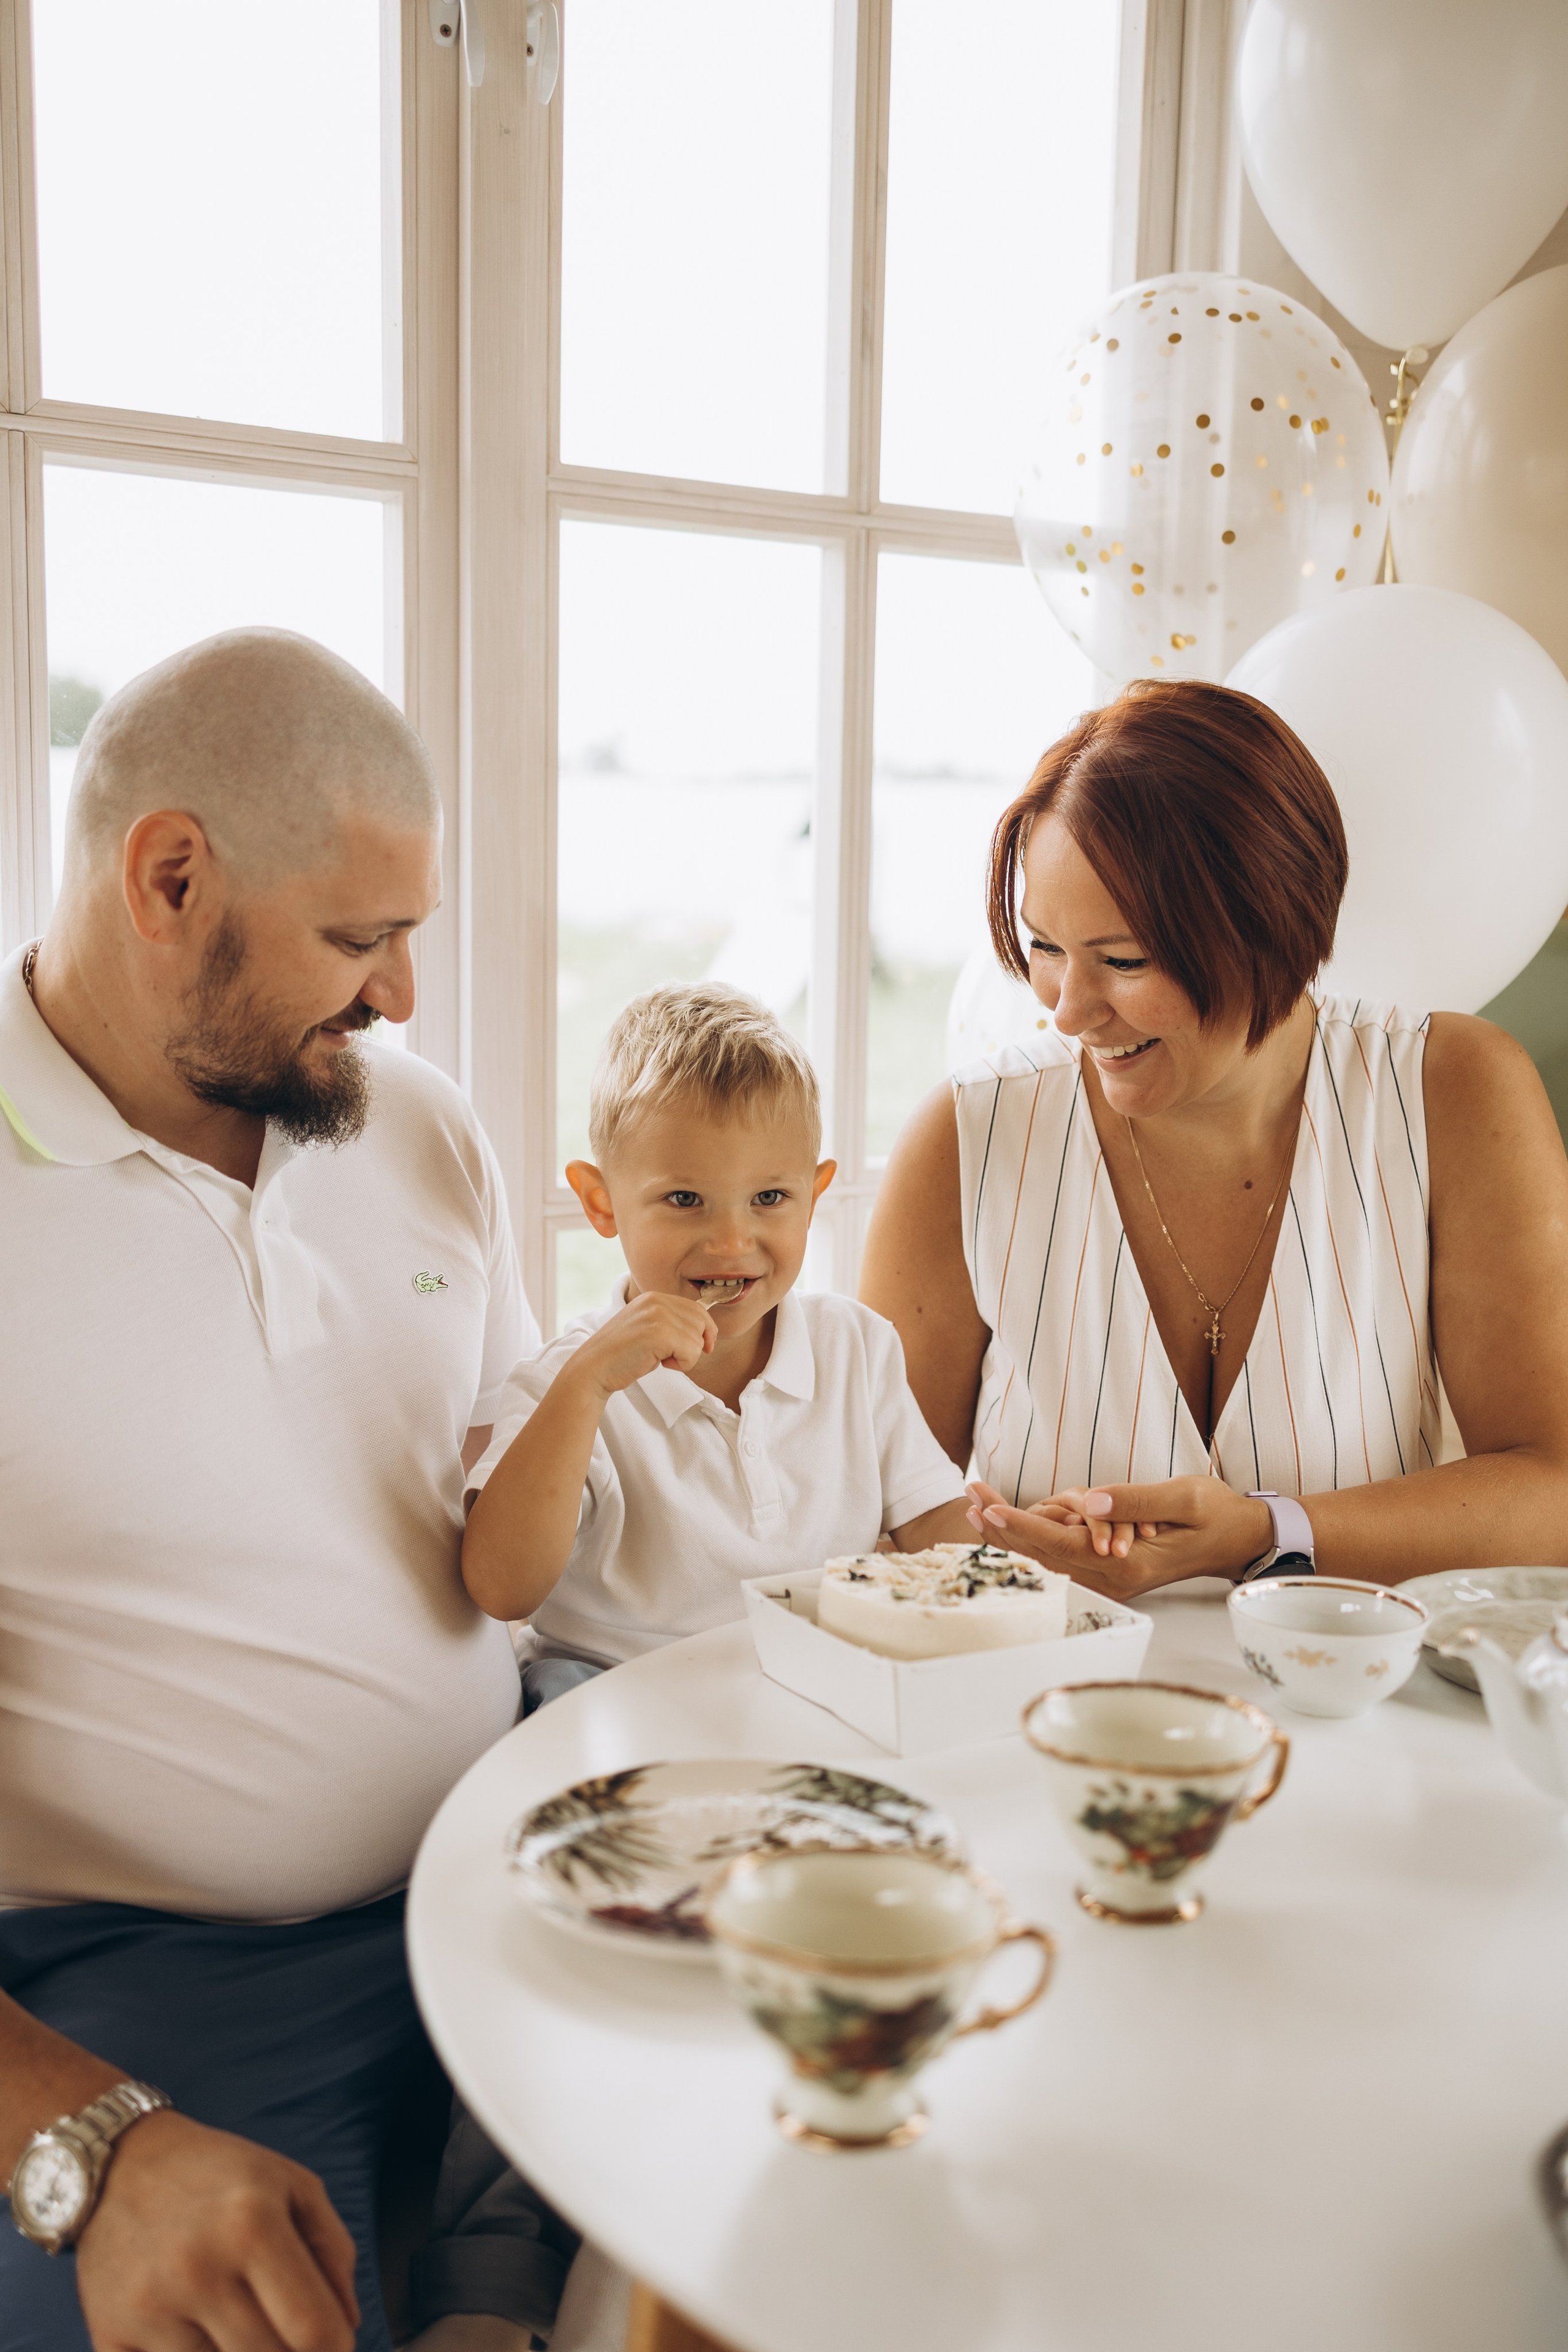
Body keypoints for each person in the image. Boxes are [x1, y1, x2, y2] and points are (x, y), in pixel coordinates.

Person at [0, 630, 573, 2352]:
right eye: (359, 938)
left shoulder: (417, 1130)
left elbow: (514, 1511)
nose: (402, 995)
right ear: (168, 877)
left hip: (520, 1886)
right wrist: (87, 2141)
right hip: (168, 1991)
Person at [861, 677, 1568, 1595]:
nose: (1070, 1012)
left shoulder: (1455, 1092)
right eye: (1044, 949)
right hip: (1043, 1709)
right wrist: (1007, 1553)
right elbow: (868, 1505)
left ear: (1272, 921)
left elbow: (1552, 1491)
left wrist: (1265, 1533)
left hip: (1369, 1726)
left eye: (1123, 961)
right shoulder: (967, 1138)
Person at [462, 984, 976, 1659]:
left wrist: (1023, 1550)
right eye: (684, 1199)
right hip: (611, 1698)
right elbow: (502, 1590)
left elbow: (933, 1520)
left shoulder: (855, 1348)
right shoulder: (564, 1379)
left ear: (813, 1196)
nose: (732, 1242)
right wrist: (585, 1389)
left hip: (806, 1683)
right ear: (600, 1201)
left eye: (769, 1198)